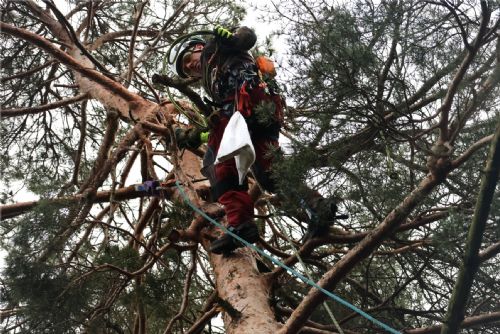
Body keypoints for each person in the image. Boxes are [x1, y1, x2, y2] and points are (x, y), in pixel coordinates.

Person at [160, 26, 339, 255]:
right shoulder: (212, 76)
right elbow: (220, 126)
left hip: (245, 106)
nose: (190, 67)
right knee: (270, 173)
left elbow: (247, 37)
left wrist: (233, 37)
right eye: (186, 71)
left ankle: (241, 223)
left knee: (218, 164)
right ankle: (318, 206)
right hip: (259, 112)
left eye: (187, 60)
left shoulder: (216, 48)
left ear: (197, 47)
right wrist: (194, 136)